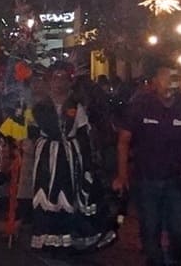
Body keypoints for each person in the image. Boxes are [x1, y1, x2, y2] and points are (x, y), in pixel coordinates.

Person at [113, 62, 181, 266]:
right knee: (150, 228)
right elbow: (124, 141)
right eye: (165, 79)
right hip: (147, 178)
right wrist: (122, 174)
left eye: (174, 79)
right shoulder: (140, 107)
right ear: (155, 83)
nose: (170, 84)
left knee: (179, 228)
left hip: (179, 179)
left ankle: (177, 258)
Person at [16, 62, 116, 252]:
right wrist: (26, 144)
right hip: (46, 157)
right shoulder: (39, 107)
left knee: (68, 196)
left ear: (70, 82)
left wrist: (86, 160)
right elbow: (30, 132)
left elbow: (84, 134)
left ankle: (67, 239)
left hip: (71, 157)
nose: (58, 83)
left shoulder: (76, 106)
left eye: (63, 78)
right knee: (45, 196)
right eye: (55, 78)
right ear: (49, 81)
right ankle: (47, 238)